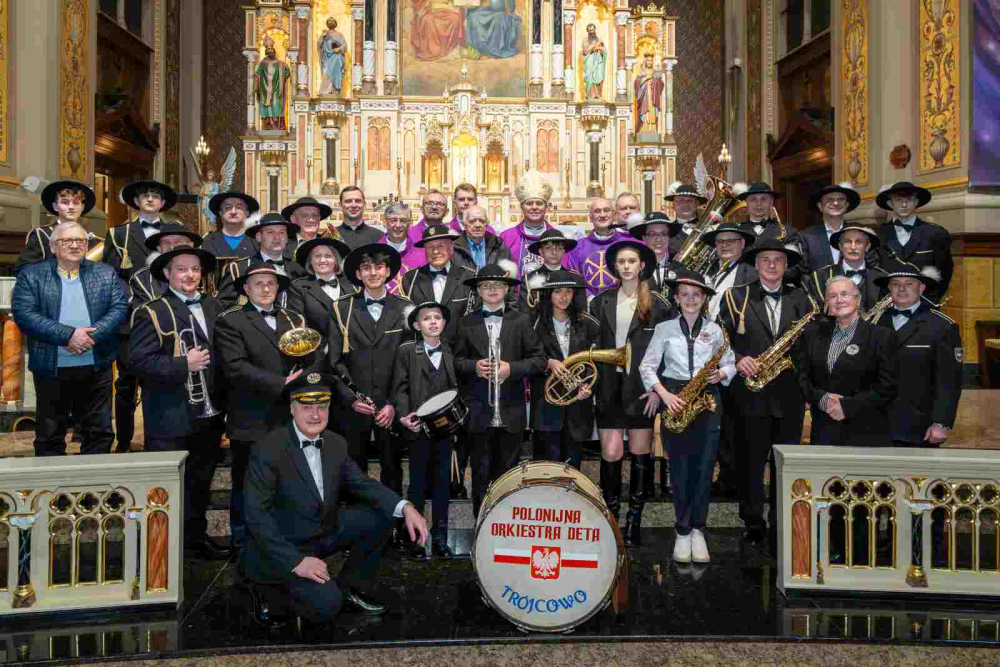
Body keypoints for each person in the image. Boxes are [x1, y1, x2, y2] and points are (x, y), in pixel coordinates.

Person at [242, 372, 429, 624]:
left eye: (322, 407)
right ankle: (266, 591)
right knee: (327, 606)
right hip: (284, 544)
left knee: (382, 515)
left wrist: (406, 507)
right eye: (306, 407)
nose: (315, 415)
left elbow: (362, 484)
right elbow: (256, 516)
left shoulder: (335, 443)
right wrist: (296, 561)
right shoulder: (267, 448)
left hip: (321, 529)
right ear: (292, 408)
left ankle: (352, 586)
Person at [130, 245, 231, 559]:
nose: (190, 275)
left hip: (209, 414)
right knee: (166, 486)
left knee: (200, 482)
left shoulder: (215, 306)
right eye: (182, 269)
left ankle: (194, 541)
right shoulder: (151, 311)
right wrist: (182, 364)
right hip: (170, 415)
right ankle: (161, 550)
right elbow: (138, 362)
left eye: (195, 269)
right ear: (167, 273)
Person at [717, 239, 813, 549]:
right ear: (756, 265)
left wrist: (808, 388)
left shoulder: (802, 298)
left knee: (785, 463)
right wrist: (736, 358)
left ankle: (782, 520)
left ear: (786, 266)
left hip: (789, 394)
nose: (772, 265)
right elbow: (719, 338)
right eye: (766, 260)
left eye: (778, 260)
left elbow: (810, 345)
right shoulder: (735, 296)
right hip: (749, 393)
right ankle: (753, 522)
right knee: (750, 462)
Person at [215, 262, 312, 555]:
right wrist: (280, 382)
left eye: (271, 283)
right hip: (250, 415)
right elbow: (235, 367)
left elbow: (308, 356)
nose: (266, 288)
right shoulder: (230, 320)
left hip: (289, 415)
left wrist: (305, 376)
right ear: (246, 289)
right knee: (246, 481)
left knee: (286, 479)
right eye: (258, 284)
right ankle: (242, 540)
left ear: (278, 287)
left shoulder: (294, 318)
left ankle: (281, 538)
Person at [642, 270, 736, 563]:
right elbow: (647, 367)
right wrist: (664, 395)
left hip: (708, 397)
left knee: (705, 468)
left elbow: (730, 363)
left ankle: (698, 529)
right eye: (685, 294)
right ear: (676, 298)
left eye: (696, 294)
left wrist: (721, 374)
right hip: (675, 397)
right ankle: (682, 530)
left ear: (704, 298)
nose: (691, 299)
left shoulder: (716, 330)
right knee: (680, 469)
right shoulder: (664, 328)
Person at [11, 221, 128, 456]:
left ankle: (94, 479)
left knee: (99, 433)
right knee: (50, 435)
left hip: (96, 365)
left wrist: (91, 336)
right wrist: (69, 335)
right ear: (53, 246)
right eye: (67, 241)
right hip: (51, 367)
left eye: (80, 241)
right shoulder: (31, 275)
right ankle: (52, 481)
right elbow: (24, 314)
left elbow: (119, 307)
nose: (75, 245)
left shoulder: (105, 273)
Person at [589, 240, 674, 546]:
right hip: (608, 386)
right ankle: (612, 520)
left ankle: (634, 521)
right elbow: (592, 347)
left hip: (642, 389)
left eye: (631, 261)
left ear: (642, 266)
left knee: (640, 453)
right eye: (621, 262)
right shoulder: (600, 302)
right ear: (615, 267)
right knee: (611, 453)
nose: (626, 266)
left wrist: (657, 390)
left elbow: (668, 353)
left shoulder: (660, 304)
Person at [327, 244, 410, 529]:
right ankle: (357, 529)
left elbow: (408, 362)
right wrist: (351, 398)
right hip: (354, 406)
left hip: (389, 406)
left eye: (378, 267)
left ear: (388, 271)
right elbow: (334, 362)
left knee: (392, 467)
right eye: (366, 268)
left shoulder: (405, 307)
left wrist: (394, 404)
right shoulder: (341, 308)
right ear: (358, 274)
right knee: (353, 469)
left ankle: (394, 528)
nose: (373, 273)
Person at [454, 263, 546, 519]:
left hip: (510, 409)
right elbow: (455, 361)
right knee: (480, 473)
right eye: (486, 285)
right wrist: (474, 366)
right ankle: (481, 525)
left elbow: (539, 360)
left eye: (497, 285)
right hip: (478, 411)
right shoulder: (466, 322)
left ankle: (505, 524)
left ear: (506, 289)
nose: (492, 289)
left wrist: (511, 369)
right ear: (478, 291)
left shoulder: (522, 320)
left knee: (508, 474)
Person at [103, 179, 179, 452]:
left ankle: (157, 442)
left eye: (155, 195)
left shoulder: (176, 232)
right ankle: (123, 442)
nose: (150, 199)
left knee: (159, 382)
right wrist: (132, 300)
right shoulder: (119, 234)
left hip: (168, 315)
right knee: (125, 384)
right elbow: (111, 276)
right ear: (136, 201)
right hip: (131, 319)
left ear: (163, 202)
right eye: (144, 195)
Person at [795, 275, 898, 447]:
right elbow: (802, 376)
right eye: (833, 296)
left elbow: (888, 386)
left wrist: (847, 406)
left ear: (858, 300)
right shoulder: (812, 334)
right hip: (824, 429)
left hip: (867, 431)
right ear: (827, 303)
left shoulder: (882, 336)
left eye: (845, 294)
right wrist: (822, 398)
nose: (839, 300)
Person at [392, 301, 459, 561]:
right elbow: (400, 388)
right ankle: (416, 540)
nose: (432, 322)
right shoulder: (407, 351)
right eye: (427, 318)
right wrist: (404, 415)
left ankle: (440, 538)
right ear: (417, 325)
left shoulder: (451, 350)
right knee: (417, 485)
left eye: (437, 317)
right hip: (418, 429)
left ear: (444, 323)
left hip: (444, 430)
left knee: (443, 484)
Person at [872, 262, 962, 447]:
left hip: (919, 425)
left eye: (909, 284)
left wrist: (941, 423)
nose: (902, 289)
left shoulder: (942, 326)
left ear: (921, 288)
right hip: (876, 422)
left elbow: (949, 381)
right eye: (896, 284)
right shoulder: (874, 322)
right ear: (889, 289)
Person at [527, 270, 599, 469]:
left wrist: (588, 387)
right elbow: (525, 358)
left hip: (577, 409)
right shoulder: (533, 324)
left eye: (568, 291)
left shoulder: (587, 324)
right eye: (558, 291)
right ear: (548, 294)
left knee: (572, 470)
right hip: (546, 409)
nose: (564, 297)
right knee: (545, 470)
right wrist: (548, 363)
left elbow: (596, 363)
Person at [399, 225, 480, 345]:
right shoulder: (410, 279)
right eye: (430, 247)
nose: (435, 251)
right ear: (425, 251)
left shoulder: (470, 277)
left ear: (451, 248)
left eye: (441, 246)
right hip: (422, 351)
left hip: (461, 350)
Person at [875, 181, 953, 301]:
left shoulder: (936, 233)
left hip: (924, 304)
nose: (904, 204)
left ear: (916, 202)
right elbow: (875, 273)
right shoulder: (878, 235)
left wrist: (929, 301)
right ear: (890, 204)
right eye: (898, 200)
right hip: (888, 304)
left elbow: (945, 273)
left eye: (909, 199)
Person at [217, 213, 307, 308]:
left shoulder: (298, 270)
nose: (277, 237)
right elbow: (223, 306)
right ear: (259, 237)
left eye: (282, 233)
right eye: (270, 232)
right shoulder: (239, 270)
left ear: (287, 238)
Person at [15, 180, 97, 274]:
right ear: (55, 206)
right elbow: (23, 270)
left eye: (76, 203)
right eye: (65, 202)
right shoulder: (42, 235)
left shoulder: (89, 237)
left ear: (82, 207)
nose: (71, 207)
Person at [806, 224, 887, 314]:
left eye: (858, 242)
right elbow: (817, 315)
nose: (853, 247)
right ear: (840, 246)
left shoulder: (882, 278)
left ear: (867, 246)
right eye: (848, 242)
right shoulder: (820, 277)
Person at [286, 236, 356, 339]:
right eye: (317, 256)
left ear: (336, 260)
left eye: (328, 256)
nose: (322, 260)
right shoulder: (298, 287)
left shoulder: (352, 286)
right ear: (310, 261)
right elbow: (297, 324)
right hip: (317, 347)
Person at [566, 198, 632, 299]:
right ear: (591, 217)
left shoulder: (628, 245)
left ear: (614, 214)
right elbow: (573, 278)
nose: (602, 215)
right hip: (587, 303)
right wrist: (590, 298)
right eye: (597, 211)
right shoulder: (577, 247)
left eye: (606, 210)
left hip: (622, 301)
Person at [798, 183, 863, 277]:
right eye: (830, 199)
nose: (836, 203)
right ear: (820, 206)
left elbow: (871, 268)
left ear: (846, 205)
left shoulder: (860, 233)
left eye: (841, 199)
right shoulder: (806, 237)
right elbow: (803, 274)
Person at [501, 169, 556, 280]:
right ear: (521, 207)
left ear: (546, 207)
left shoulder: (557, 238)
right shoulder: (506, 237)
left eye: (539, 203)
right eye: (529, 203)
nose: (534, 207)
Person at [699, 222, 758, 320]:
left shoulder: (753, 275)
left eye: (731, 240)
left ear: (742, 243)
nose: (724, 245)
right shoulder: (706, 269)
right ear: (716, 244)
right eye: (720, 241)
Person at [520, 229, 581, 312]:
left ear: (563, 251)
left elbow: (581, 312)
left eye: (559, 248)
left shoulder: (575, 278)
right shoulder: (528, 279)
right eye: (548, 248)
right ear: (541, 252)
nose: (554, 252)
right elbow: (524, 313)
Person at [627, 212, 685, 296]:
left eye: (664, 234)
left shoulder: (680, 269)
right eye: (652, 234)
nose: (658, 239)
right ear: (644, 238)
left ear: (669, 237)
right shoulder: (633, 269)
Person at [379, 202, 426, 295]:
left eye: (403, 221)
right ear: (385, 223)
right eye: (393, 220)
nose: (398, 225)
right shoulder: (374, 253)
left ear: (410, 224)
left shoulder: (422, 254)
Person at [202, 191, 261, 258]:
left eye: (239, 207)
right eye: (228, 207)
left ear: (247, 212)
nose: (233, 212)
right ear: (220, 213)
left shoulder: (257, 241)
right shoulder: (208, 241)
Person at [454, 204, 511, 272]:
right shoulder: (454, 247)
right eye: (472, 221)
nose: (478, 225)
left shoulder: (499, 246)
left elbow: (507, 274)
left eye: (482, 221)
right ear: (464, 224)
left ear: (486, 224)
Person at [737, 182, 796, 246]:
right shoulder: (737, 231)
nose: (758, 204)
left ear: (771, 201)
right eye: (753, 199)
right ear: (746, 202)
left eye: (763, 199)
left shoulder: (788, 232)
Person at [664, 183, 707, 259]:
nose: (685, 204)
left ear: (697, 204)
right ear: (674, 205)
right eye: (680, 200)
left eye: (690, 200)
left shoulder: (708, 228)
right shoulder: (666, 232)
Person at [335, 186, 383, 251]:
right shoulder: (330, 236)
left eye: (358, 201)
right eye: (348, 201)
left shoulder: (379, 236)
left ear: (364, 205)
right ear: (340, 205)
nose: (353, 205)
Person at [633, 52, 664, 133]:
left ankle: (652, 128)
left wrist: (655, 81)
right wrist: (646, 78)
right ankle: (644, 127)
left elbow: (661, 84)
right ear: (645, 61)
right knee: (645, 110)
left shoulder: (655, 72)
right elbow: (636, 83)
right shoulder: (642, 72)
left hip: (653, 94)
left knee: (652, 110)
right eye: (648, 60)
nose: (649, 62)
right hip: (644, 94)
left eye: (651, 60)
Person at [317, 17, 348, 96]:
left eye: (333, 21)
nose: (331, 22)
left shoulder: (339, 35)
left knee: (336, 70)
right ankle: (325, 90)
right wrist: (322, 37)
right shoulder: (324, 34)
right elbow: (319, 45)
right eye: (329, 21)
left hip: (336, 57)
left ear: (335, 23)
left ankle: (335, 89)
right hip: (327, 58)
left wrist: (339, 49)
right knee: (326, 73)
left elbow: (344, 46)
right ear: (327, 23)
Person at [582, 23, 607, 99]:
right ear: (588, 31)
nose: (592, 32)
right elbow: (585, 52)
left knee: (599, 76)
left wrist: (600, 49)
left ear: (595, 30)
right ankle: (590, 95)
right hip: (589, 61)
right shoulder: (585, 40)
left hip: (598, 61)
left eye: (593, 30)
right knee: (590, 77)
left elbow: (604, 51)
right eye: (590, 31)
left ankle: (597, 94)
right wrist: (593, 46)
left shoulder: (599, 40)